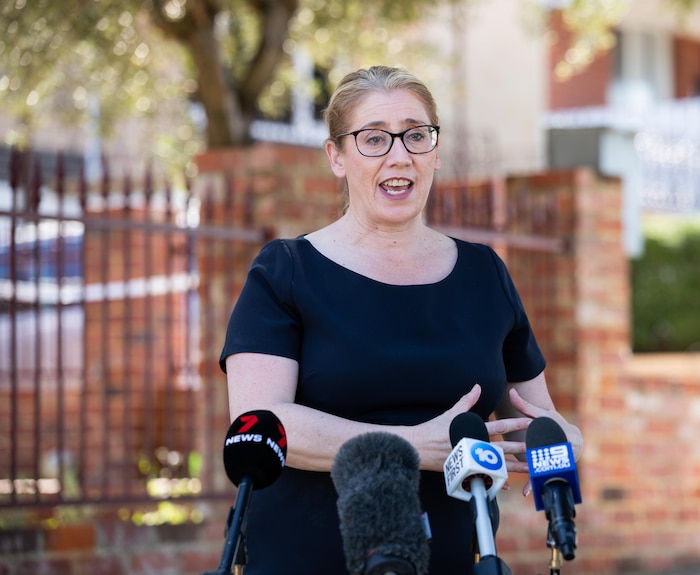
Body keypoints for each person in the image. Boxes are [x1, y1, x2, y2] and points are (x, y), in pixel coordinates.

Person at [219, 65, 583, 574]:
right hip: (307, 557)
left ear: (435, 152)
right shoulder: (286, 272)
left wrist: (561, 443)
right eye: (373, 139)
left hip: (460, 557)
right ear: (337, 157)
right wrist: (411, 446)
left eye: (416, 135)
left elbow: (535, 418)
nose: (399, 154)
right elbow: (261, 422)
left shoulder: (485, 274)